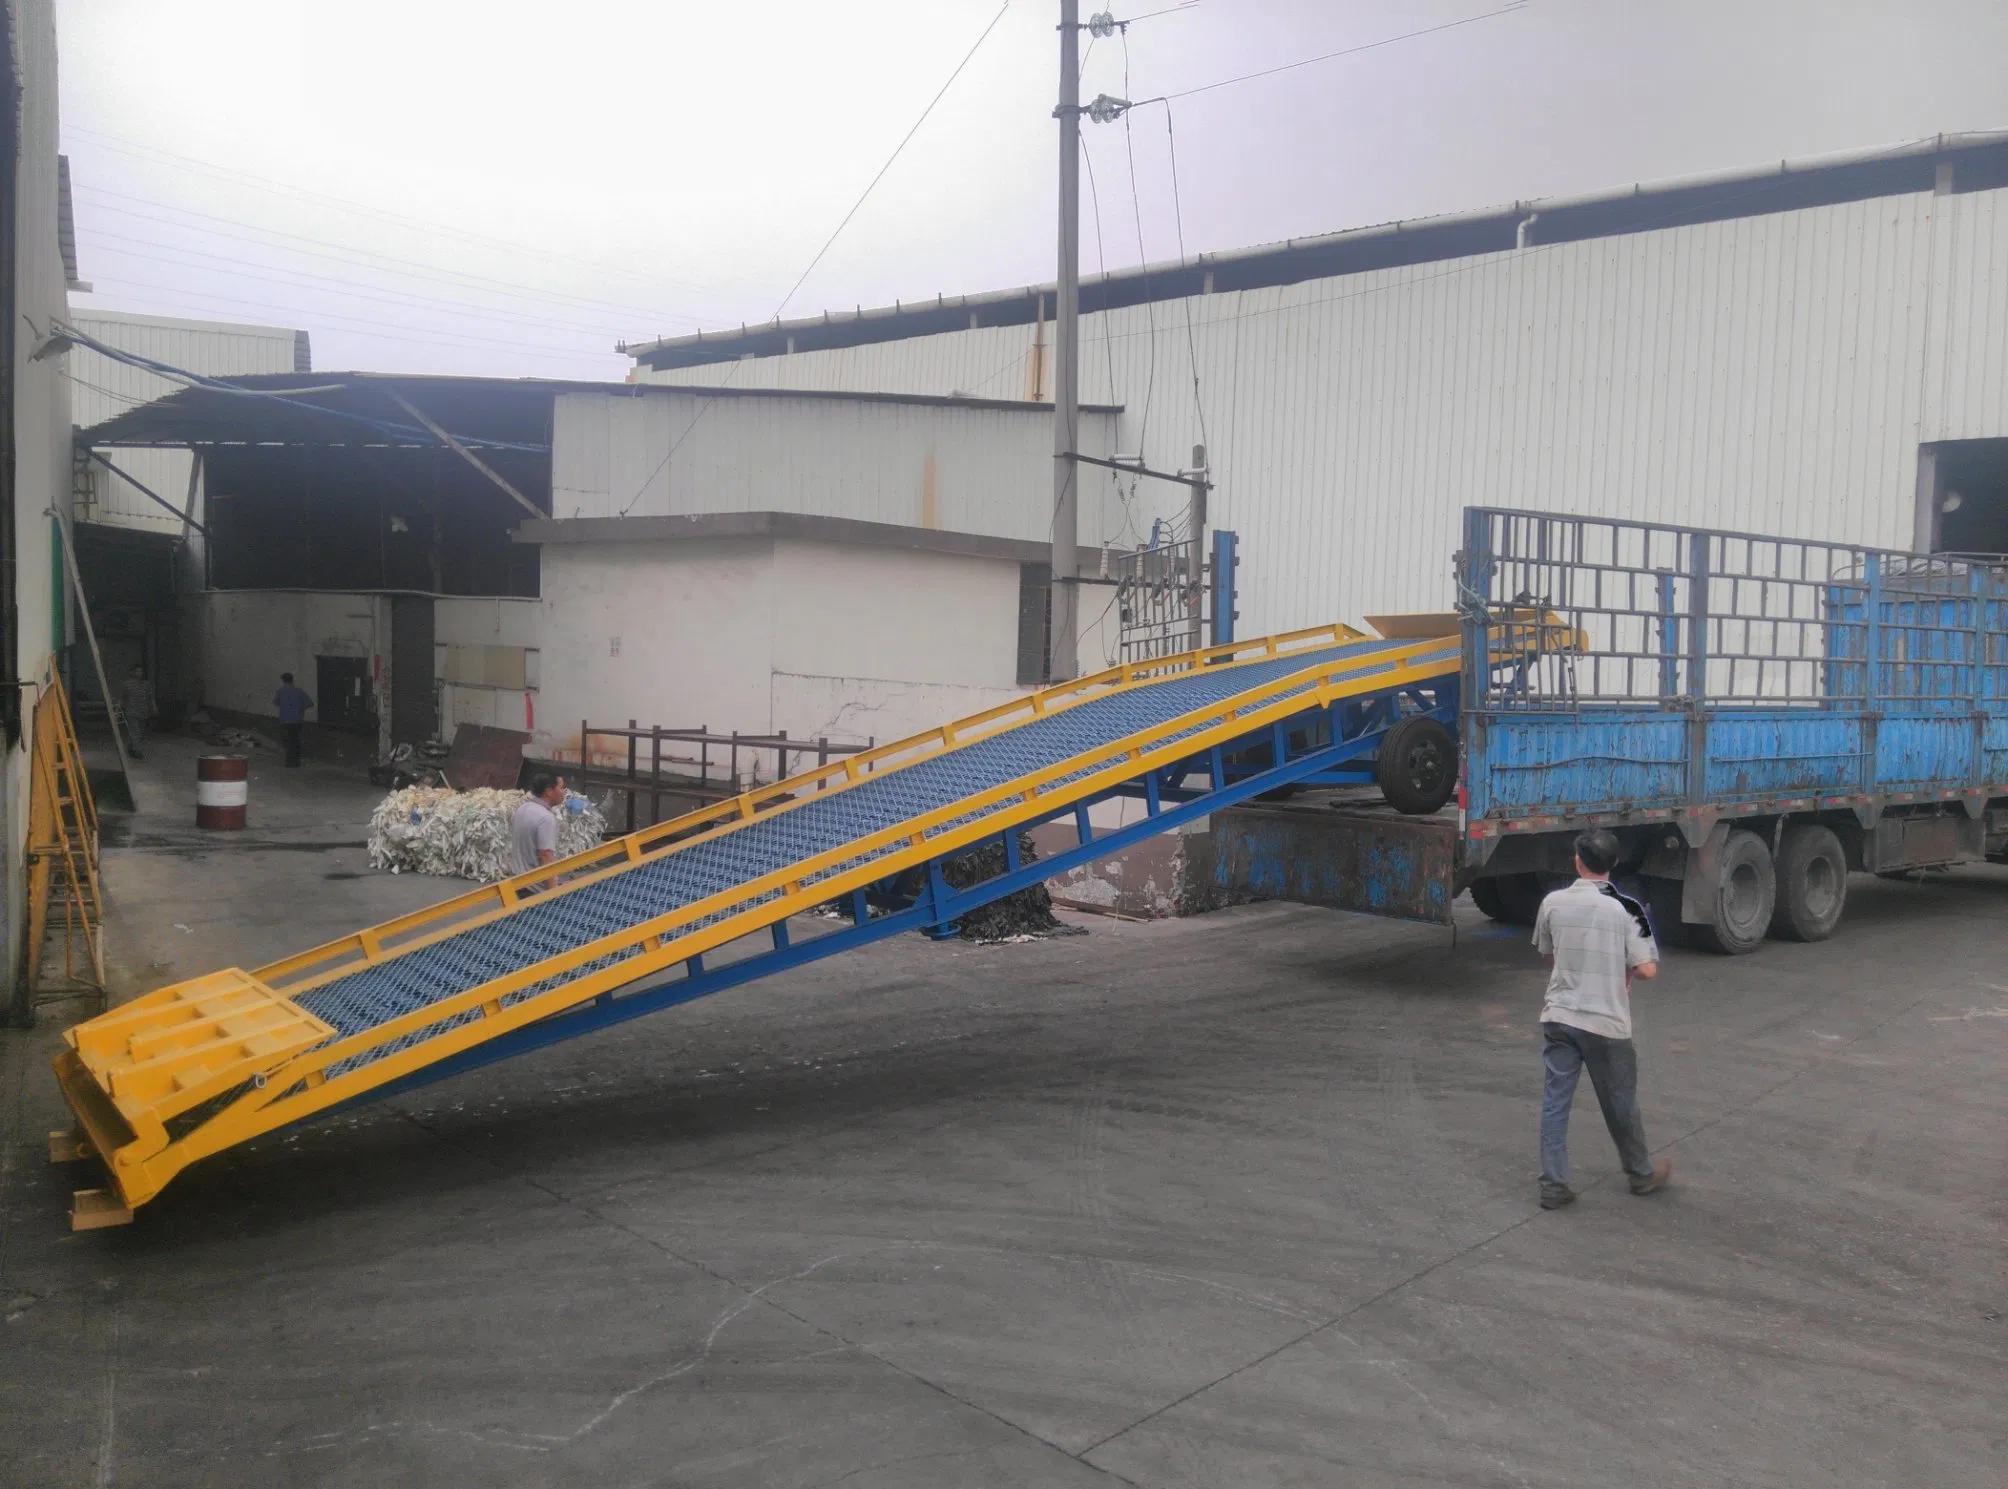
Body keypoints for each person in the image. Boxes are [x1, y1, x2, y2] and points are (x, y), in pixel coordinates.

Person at [1531, 828, 1673, 1210]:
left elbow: (1549, 955)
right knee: (1620, 1102)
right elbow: (1647, 970)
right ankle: (1640, 1174)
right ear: (1614, 864)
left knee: (1555, 1102)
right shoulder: (1627, 909)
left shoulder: (1552, 903)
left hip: (1559, 1015)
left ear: (1578, 861)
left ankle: (1553, 1184)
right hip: (1606, 1021)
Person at [510, 773, 568, 885]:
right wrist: (554, 890)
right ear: (549, 791)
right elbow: (545, 855)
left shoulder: (523, 808)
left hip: (518, 882)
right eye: (561, 788)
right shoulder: (545, 818)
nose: (564, 792)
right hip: (536, 887)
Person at [273, 672, 314, 768]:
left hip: (285, 720)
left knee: (287, 741)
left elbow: (275, 702)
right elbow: (310, 703)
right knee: (295, 740)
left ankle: (289, 762)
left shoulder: (280, 691)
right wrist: (300, 708)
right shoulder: (299, 691)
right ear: (292, 680)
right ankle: (296, 762)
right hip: (297, 720)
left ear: (283, 681)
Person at [117, 664, 155, 760]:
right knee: (135, 731)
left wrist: (153, 707)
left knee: (140, 733)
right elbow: (122, 697)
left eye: (141, 671)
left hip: (143, 712)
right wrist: (119, 709)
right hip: (131, 712)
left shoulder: (146, 685)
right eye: (137, 671)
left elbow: (150, 697)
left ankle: (132, 746)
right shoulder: (127, 684)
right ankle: (137, 751)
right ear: (132, 672)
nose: (139, 673)